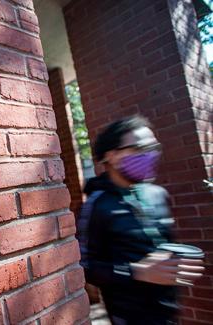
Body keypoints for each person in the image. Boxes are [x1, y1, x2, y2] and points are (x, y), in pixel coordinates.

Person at [77, 115, 204, 325]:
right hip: (129, 316)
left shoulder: (157, 194)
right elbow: (86, 267)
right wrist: (138, 271)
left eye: (153, 147)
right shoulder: (97, 204)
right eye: (139, 148)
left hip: (168, 312)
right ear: (112, 156)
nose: (149, 155)